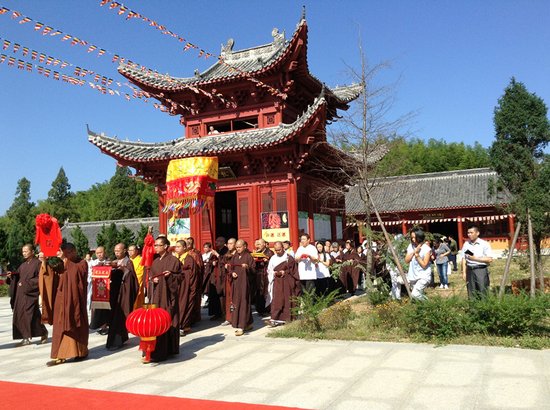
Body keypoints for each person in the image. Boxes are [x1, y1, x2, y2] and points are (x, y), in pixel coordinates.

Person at [47, 243, 89, 366]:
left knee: (76, 324)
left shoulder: (81, 263)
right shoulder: (62, 263)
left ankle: (80, 352)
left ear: (74, 251)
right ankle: (60, 355)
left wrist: (66, 261)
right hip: (61, 299)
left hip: (75, 300)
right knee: (60, 326)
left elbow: (78, 275)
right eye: (65, 253)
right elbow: (51, 275)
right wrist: (45, 262)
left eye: (69, 252)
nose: (67, 255)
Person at [147, 236, 183, 363]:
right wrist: (152, 280)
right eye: (155, 245)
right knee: (155, 323)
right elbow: (150, 275)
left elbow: (180, 277)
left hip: (168, 297)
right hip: (156, 297)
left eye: (158, 245)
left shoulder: (173, 260)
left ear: (166, 246)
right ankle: (153, 350)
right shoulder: (155, 261)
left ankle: (166, 350)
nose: (155, 247)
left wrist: (170, 276)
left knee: (167, 321)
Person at [10, 244, 48, 346]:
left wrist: (26, 284)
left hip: (30, 294)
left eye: (26, 251)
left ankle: (27, 337)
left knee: (27, 315)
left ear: (32, 252)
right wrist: (12, 276)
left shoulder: (38, 264)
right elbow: (18, 277)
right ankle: (39, 333)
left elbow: (40, 279)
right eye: (23, 252)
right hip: (21, 294)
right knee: (26, 316)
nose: (24, 253)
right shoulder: (23, 265)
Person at [106, 243, 139, 350]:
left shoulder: (128, 262)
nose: (116, 253)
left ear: (124, 251)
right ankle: (118, 340)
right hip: (113, 294)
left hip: (123, 294)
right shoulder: (113, 262)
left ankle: (117, 342)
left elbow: (131, 278)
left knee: (119, 318)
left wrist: (122, 269)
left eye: (118, 251)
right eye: (115, 251)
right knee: (112, 318)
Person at [266, 241, 301, 327]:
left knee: (287, 299)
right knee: (277, 300)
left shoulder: (289, 258)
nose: (278, 252)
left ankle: (288, 318)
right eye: (276, 250)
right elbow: (269, 270)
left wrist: (284, 272)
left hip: (287, 282)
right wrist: (273, 273)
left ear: (283, 248)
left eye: (279, 249)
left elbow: (294, 272)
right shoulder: (273, 258)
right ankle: (274, 319)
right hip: (277, 282)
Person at [228, 239, 255, 336]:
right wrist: (232, 273)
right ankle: (246, 323)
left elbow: (253, 270)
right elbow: (230, 268)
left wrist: (247, 267)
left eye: (239, 247)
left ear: (244, 247)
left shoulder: (248, 256)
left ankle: (242, 326)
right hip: (236, 284)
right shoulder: (234, 257)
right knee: (236, 303)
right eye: (237, 247)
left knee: (243, 303)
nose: (238, 249)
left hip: (244, 284)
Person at [461, 225, 493, 299]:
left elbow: (489, 259)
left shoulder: (484, 244)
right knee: (471, 292)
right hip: (469, 270)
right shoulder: (466, 244)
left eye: (471, 232)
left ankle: (484, 309)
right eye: (468, 233)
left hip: (480, 270)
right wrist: (463, 272)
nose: (469, 234)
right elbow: (464, 258)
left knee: (483, 291)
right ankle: (473, 309)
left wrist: (475, 259)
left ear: (477, 233)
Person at [175, 239, 197, 335]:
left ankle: (183, 325)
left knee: (184, 304)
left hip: (186, 286)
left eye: (179, 246)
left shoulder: (189, 259)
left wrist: (192, 287)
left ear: (185, 248)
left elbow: (193, 274)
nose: (176, 248)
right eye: (176, 246)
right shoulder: (175, 258)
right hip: (176, 286)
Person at [405, 229, 432, 301]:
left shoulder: (426, 249)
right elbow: (407, 260)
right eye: (412, 237)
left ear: (419, 237)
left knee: (415, 294)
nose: (413, 239)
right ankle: (423, 309)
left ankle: (429, 304)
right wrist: (414, 251)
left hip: (424, 275)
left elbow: (424, 265)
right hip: (413, 276)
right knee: (417, 296)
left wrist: (417, 255)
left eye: (414, 237)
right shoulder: (410, 246)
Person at [89, 246, 110, 333]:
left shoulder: (109, 263)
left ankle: (105, 326)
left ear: (105, 252)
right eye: (97, 253)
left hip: (107, 290)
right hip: (96, 289)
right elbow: (89, 275)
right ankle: (97, 325)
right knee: (96, 308)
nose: (99, 255)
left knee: (106, 308)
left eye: (101, 252)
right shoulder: (92, 263)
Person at [252, 238, 273, 317]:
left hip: (265, 274)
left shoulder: (269, 252)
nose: (258, 246)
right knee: (258, 292)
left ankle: (267, 309)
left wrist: (266, 260)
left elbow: (272, 262)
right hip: (258, 274)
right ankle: (259, 309)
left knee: (265, 291)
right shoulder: (257, 252)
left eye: (260, 244)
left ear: (264, 244)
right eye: (257, 244)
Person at [207, 237, 227, 320]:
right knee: (213, 294)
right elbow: (209, 262)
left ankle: (223, 313)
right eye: (216, 241)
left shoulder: (226, 251)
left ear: (223, 242)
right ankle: (216, 313)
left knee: (221, 295)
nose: (216, 242)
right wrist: (212, 262)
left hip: (221, 276)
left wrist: (218, 255)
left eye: (219, 241)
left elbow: (225, 261)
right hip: (214, 276)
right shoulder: (214, 251)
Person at [185, 237, 204, 324]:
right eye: (186, 242)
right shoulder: (183, 253)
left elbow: (199, 267)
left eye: (189, 243)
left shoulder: (195, 254)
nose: (188, 244)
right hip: (185, 279)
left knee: (194, 298)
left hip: (194, 277)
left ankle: (195, 317)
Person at [221, 238, 237, 325]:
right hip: (228, 279)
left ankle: (235, 316)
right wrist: (225, 266)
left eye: (231, 243)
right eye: (228, 243)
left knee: (235, 298)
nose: (229, 245)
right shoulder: (226, 254)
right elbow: (222, 264)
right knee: (228, 298)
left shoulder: (238, 255)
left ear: (235, 244)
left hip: (236, 279)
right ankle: (229, 317)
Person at [128, 244, 145, 309]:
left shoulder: (140, 260)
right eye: (129, 250)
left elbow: (139, 274)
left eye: (132, 250)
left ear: (137, 251)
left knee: (137, 302)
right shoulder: (128, 260)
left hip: (136, 284)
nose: (130, 252)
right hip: (128, 284)